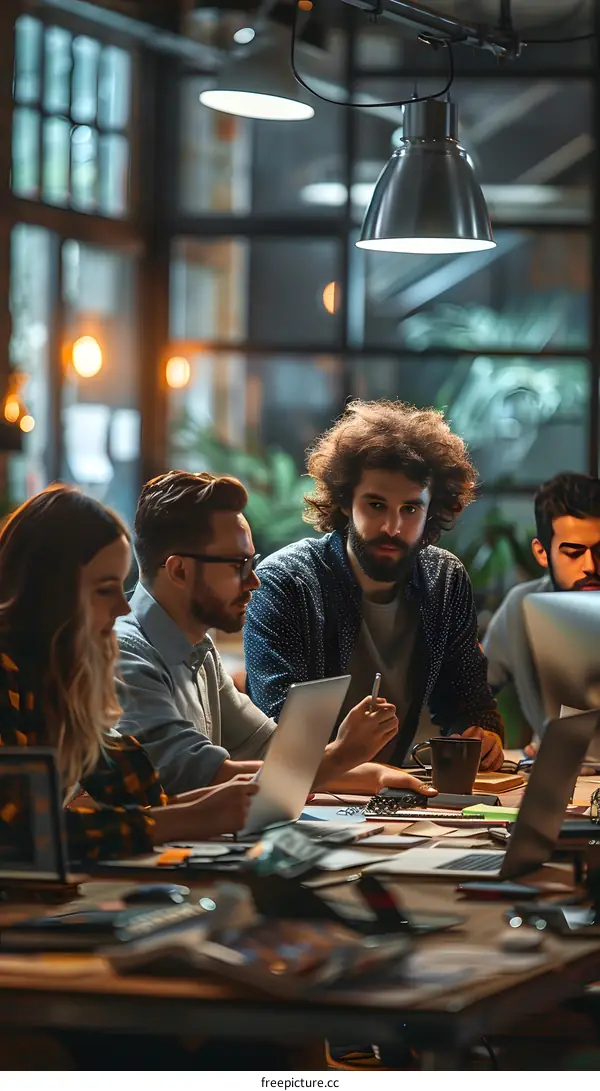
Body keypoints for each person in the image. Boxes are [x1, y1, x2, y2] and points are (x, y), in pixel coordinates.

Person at [115, 470, 436, 799]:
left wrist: (376, 775)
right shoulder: (123, 656)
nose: (254, 581)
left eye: (251, 562)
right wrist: (341, 754)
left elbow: (270, 750)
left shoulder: (199, 651)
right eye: (237, 565)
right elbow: (205, 778)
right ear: (179, 571)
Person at [0, 485, 259, 868]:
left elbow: (135, 789)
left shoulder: (54, 673)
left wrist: (211, 803)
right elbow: (18, 838)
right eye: (106, 589)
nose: (123, 607)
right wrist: (192, 817)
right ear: (51, 591)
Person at [244, 399, 504, 770]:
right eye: (376, 505)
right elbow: (280, 728)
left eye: (410, 509)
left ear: (431, 509)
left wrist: (482, 735)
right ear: (345, 501)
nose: (392, 528)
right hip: (308, 792)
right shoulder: (285, 583)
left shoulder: (445, 579)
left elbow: (470, 703)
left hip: (399, 786)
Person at [483, 472, 600, 745]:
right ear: (542, 553)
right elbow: (470, 695)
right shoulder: (521, 606)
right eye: (573, 553)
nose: (591, 566)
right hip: (559, 763)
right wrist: (483, 733)